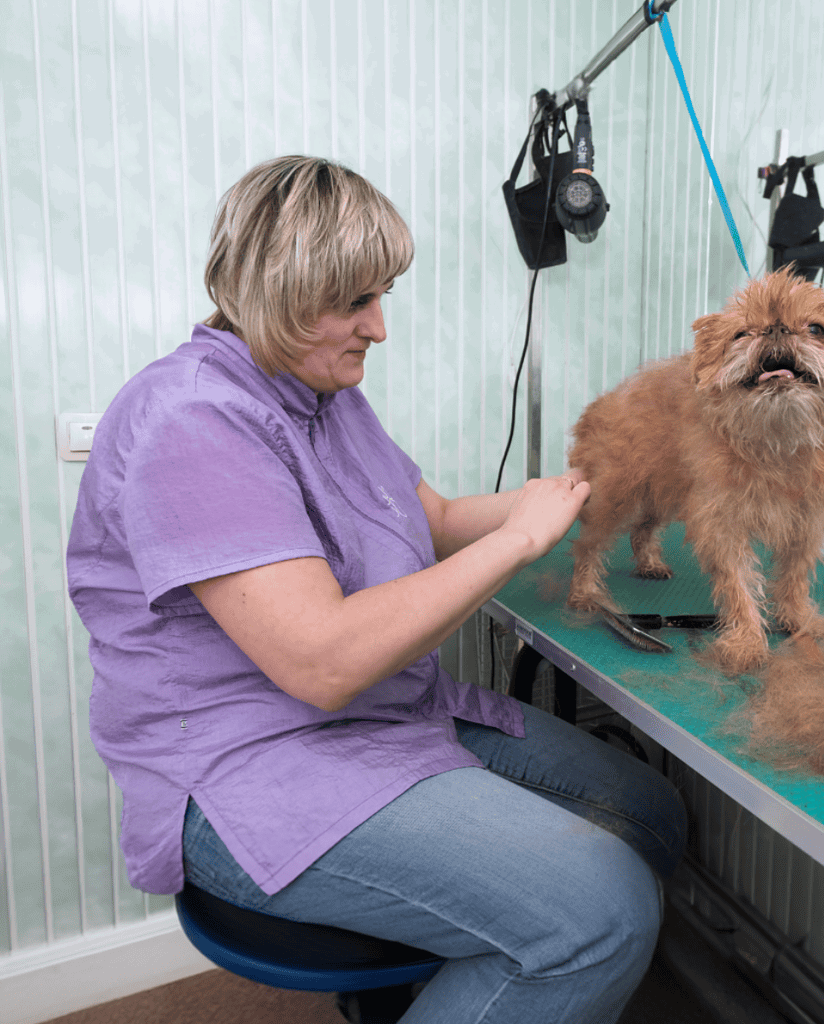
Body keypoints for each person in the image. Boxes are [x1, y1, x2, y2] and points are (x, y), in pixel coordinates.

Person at [67, 155, 687, 1023]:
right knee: (602, 910)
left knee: (646, 812)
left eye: (382, 295)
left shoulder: (326, 393)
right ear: (282, 291)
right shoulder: (193, 419)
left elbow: (427, 514)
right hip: (253, 765)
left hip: (387, 719)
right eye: (358, 302)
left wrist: (580, 495)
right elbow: (322, 662)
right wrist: (519, 541)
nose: (381, 328)